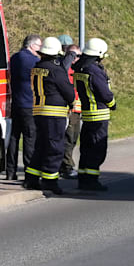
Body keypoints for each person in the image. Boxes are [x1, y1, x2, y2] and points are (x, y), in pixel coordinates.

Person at [25, 36, 75, 196]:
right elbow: (67, 90)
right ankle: (50, 180)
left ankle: (31, 178)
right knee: (55, 148)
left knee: (40, 146)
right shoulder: (56, 70)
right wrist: (72, 101)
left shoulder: (36, 67)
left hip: (39, 112)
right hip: (54, 114)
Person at [73, 37, 115, 192]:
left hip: (87, 114)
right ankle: (92, 181)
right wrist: (113, 104)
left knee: (86, 148)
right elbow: (105, 93)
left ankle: (83, 179)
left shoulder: (80, 68)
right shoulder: (94, 71)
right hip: (99, 115)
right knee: (97, 149)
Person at [6, 34, 42, 181]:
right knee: (29, 138)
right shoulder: (34, 61)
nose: (40, 50)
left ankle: (10, 171)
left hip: (16, 103)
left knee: (14, 137)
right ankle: (29, 171)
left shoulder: (14, 58)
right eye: (39, 47)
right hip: (29, 105)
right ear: (32, 46)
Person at [58, 36, 82, 180]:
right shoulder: (65, 68)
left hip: (77, 110)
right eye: (75, 55)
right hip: (69, 110)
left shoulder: (77, 69)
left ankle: (65, 165)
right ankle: (67, 166)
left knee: (73, 139)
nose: (78, 58)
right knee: (68, 138)